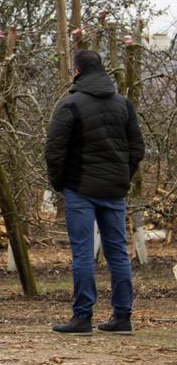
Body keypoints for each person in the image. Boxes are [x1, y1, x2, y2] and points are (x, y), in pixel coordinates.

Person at [46, 49, 144, 335]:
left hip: (80, 188)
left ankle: (82, 316)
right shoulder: (124, 105)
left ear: (76, 72)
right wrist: (123, 176)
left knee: (83, 253)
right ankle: (122, 316)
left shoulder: (70, 105)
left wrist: (59, 183)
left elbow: (54, 150)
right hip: (114, 189)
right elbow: (137, 149)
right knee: (118, 253)